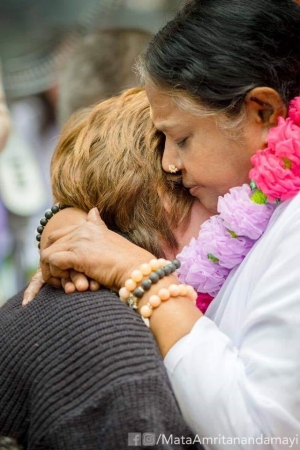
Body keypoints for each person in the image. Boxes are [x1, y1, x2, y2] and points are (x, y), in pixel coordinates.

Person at [37, 0, 300, 448]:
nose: (169, 163)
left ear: (263, 112)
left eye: (182, 138)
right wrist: (66, 215)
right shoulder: (260, 205)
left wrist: (139, 274)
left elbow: (259, 436)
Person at [0, 88, 203, 450]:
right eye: (210, 196)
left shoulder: (93, 313)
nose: (229, 222)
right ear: (166, 199)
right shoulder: (116, 349)